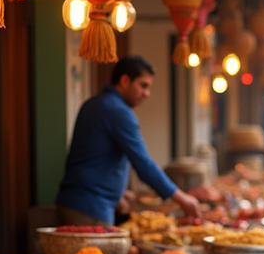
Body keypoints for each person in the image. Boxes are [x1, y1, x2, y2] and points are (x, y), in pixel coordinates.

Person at [56, 56, 200, 225]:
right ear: (125, 81)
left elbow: (93, 157)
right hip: (91, 207)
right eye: (143, 85)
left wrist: (118, 193)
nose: (147, 94)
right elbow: (142, 163)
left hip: (77, 202)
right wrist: (181, 198)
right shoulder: (118, 111)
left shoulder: (93, 104)